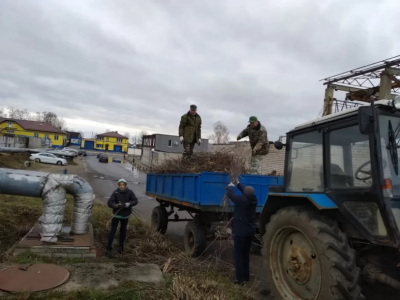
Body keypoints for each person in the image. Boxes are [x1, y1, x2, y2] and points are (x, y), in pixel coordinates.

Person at [225, 181, 257, 285]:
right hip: (249, 232)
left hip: (241, 232)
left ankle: (239, 278)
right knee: (245, 254)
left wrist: (230, 186)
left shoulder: (242, 200)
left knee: (238, 255)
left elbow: (231, 195)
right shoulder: (253, 199)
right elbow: (245, 191)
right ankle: (246, 276)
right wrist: (238, 183)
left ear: (245, 194)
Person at [106, 178, 138, 257]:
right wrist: (115, 205)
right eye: (120, 184)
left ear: (125, 185)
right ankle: (108, 248)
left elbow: (135, 200)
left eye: (123, 184)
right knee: (113, 231)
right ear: (119, 185)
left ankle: (121, 247)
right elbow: (109, 202)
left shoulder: (130, 192)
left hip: (125, 216)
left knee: (123, 231)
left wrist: (128, 204)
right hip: (116, 215)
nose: (122, 186)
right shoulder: (116, 193)